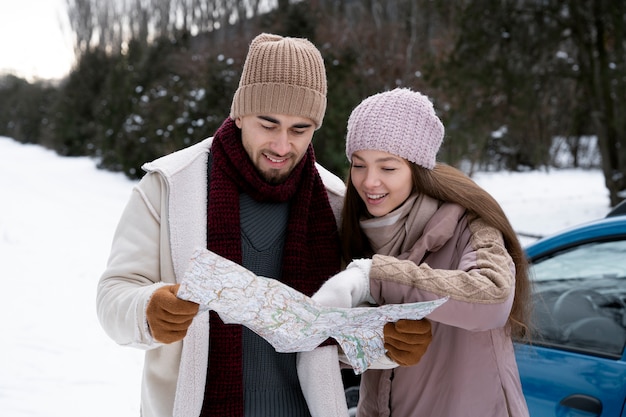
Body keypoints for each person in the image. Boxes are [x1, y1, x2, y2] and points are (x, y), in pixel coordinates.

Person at [96, 34, 429, 417]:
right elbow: (113, 294)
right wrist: (148, 309)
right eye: (268, 124)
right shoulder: (170, 185)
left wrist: (385, 342)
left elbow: (337, 322)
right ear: (240, 114)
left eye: (300, 129)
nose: (282, 146)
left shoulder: (333, 200)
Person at [312, 88, 532, 416]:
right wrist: (369, 337)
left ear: (417, 168)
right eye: (359, 165)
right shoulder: (355, 229)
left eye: (387, 168)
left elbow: (494, 297)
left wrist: (374, 275)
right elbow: (333, 344)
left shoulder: (470, 222)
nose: (369, 181)